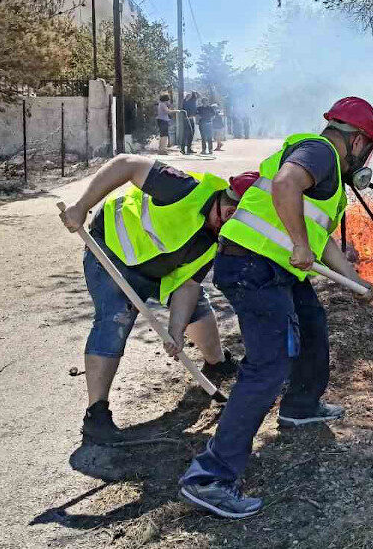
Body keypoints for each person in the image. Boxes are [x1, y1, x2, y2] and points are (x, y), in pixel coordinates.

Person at [176, 96, 373, 519]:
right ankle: (209, 478)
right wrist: (301, 246)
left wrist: (358, 282)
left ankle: (301, 405)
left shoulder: (329, 177)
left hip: (272, 269)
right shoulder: (320, 151)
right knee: (269, 365)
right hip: (253, 266)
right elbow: (287, 185)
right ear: (358, 141)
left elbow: (323, 242)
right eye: (368, 148)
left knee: (312, 323)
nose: (365, 156)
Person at [58, 155, 251, 443]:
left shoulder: (217, 236)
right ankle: (96, 415)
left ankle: (216, 363)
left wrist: (175, 331)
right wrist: (81, 206)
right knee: (115, 318)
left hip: (162, 268)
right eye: (228, 215)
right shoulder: (183, 188)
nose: (225, 227)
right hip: (112, 252)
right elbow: (126, 164)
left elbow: (186, 285)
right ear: (225, 198)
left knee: (197, 306)